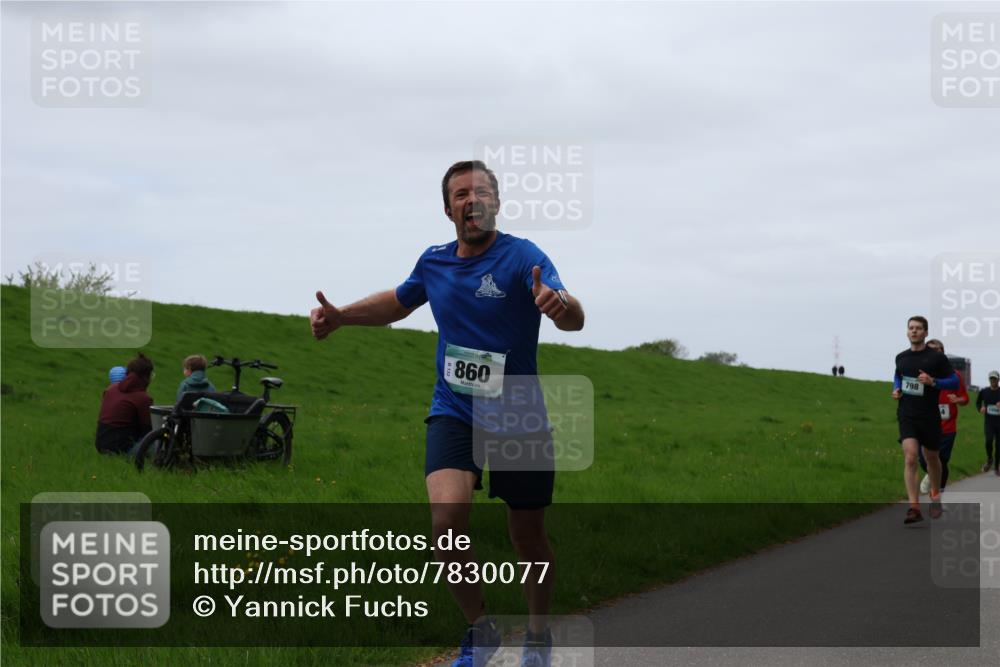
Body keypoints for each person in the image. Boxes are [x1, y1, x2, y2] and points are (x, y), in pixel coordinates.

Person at [310, 160, 584, 667]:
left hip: (519, 413)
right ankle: (481, 630)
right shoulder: (433, 262)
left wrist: (560, 305)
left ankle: (538, 636)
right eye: (461, 194)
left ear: (496, 203)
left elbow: (573, 315)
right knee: (446, 523)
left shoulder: (524, 257)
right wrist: (342, 316)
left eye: (481, 192)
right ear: (448, 209)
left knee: (527, 535)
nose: (472, 200)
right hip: (455, 407)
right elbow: (398, 303)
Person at [892, 316, 959, 524]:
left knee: (932, 459)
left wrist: (933, 381)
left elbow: (955, 382)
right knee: (910, 457)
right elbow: (898, 376)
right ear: (907, 332)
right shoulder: (901, 357)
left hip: (929, 416)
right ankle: (914, 507)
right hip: (907, 414)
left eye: (918, 328)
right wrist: (896, 388)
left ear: (926, 332)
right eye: (911, 328)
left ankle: (935, 495)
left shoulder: (936, 358)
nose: (914, 331)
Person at [918, 340, 969, 494]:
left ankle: (938, 493)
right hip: (926, 424)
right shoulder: (922, 374)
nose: (934, 352)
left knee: (942, 461)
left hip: (947, 427)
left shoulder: (955, 375)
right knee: (923, 459)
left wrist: (958, 399)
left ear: (943, 352)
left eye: (937, 350)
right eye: (930, 350)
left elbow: (965, 399)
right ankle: (930, 472)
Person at [95, 352, 155, 455]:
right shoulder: (143, 398)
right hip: (123, 449)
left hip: (100, 445)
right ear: (146, 376)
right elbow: (148, 429)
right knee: (159, 444)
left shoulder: (111, 389)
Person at [976, 370, 1000, 475]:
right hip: (989, 422)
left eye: (995, 379)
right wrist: (980, 408)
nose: (993, 380)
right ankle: (990, 459)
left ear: (998, 380)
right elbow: (978, 402)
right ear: (989, 380)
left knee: (998, 446)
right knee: (988, 441)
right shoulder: (984, 391)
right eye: (991, 379)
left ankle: (997, 467)